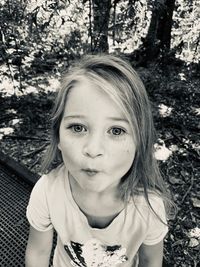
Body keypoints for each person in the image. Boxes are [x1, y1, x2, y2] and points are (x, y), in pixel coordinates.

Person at [25, 54, 171, 267]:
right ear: (58, 138)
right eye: (78, 127)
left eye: (116, 130)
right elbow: (38, 253)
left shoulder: (150, 207)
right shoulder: (47, 191)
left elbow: (151, 261)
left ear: (141, 140)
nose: (93, 150)